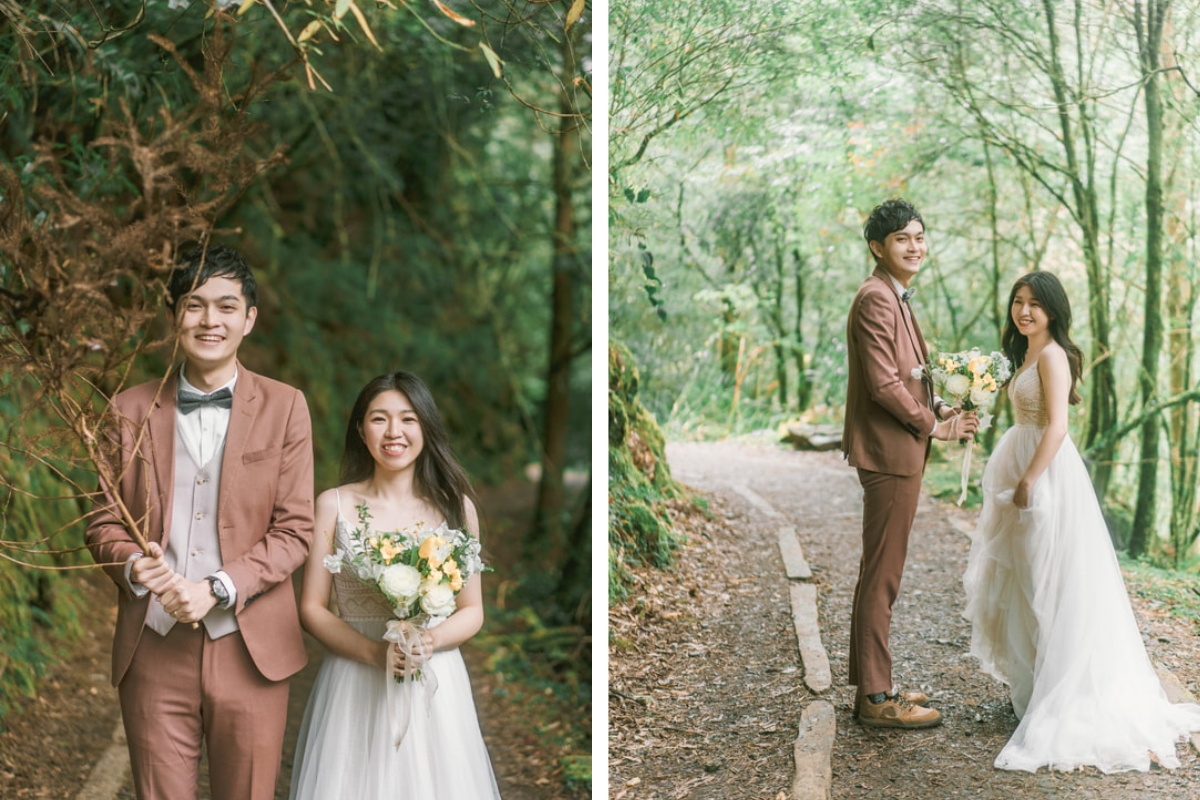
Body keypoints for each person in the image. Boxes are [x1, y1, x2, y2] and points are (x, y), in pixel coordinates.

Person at [85, 244, 315, 799]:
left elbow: (294, 531)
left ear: (249, 319)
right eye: (194, 304)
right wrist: (136, 566)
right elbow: (101, 522)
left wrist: (218, 588)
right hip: (153, 645)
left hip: (252, 645)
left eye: (226, 306)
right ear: (174, 317)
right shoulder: (128, 410)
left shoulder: (286, 407)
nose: (210, 320)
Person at [963, 270, 1200, 772]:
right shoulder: (1024, 353)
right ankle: (1036, 685)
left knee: (1051, 580)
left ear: (1053, 310)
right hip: (1023, 459)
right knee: (1025, 580)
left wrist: (1029, 479)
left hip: (1046, 473)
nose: (1024, 311)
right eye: (1017, 302)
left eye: (1034, 304)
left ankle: (1066, 690)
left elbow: (1059, 424)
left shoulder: (1052, 355)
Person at [289, 371, 501, 800]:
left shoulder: (456, 508)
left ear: (426, 427)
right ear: (360, 429)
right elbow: (312, 608)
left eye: (408, 419)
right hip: (354, 676)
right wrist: (374, 653)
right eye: (379, 419)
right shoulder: (333, 505)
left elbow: (472, 609)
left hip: (433, 678)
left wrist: (430, 640)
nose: (394, 432)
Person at [842, 198, 980, 728]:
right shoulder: (876, 298)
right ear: (878, 247)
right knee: (882, 576)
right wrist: (935, 425)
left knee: (881, 573)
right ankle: (877, 701)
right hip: (889, 451)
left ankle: (875, 687)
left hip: (899, 449)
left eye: (920, 236)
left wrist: (943, 403)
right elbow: (882, 385)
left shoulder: (895, 296)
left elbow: (910, 372)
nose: (915, 246)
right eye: (902, 238)